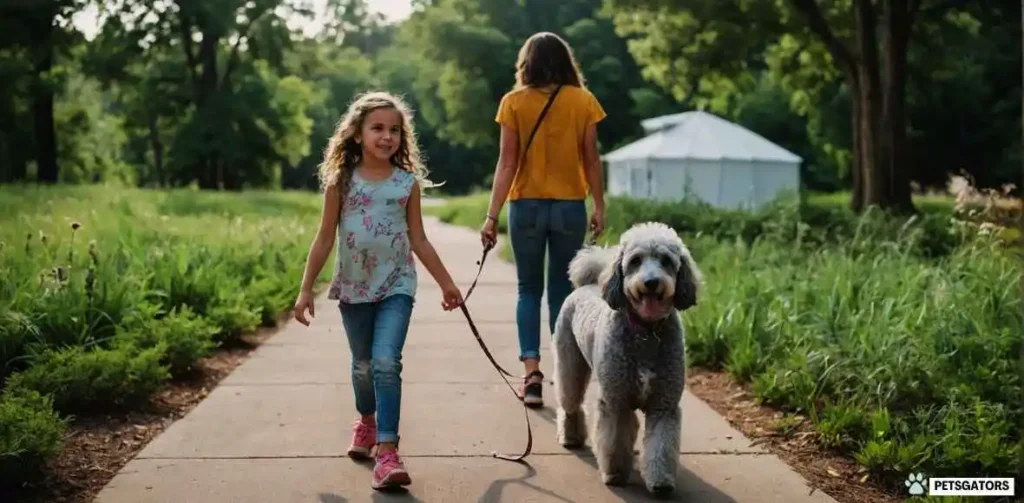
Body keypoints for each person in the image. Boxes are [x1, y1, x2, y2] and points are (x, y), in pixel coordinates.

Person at [292, 91, 464, 491]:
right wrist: (304, 291)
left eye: (396, 130)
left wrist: (446, 282)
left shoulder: (407, 184)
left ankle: (388, 452)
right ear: (356, 134)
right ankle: (366, 422)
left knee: (386, 362)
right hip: (354, 287)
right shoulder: (341, 182)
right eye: (378, 128)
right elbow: (323, 239)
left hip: (396, 286)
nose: (388, 137)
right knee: (363, 366)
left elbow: (419, 240)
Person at [480, 32, 606, 408]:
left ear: (527, 63)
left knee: (527, 290)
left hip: (527, 208)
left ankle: (531, 375)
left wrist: (491, 216)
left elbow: (507, 162)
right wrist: (598, 205)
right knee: (563, 293)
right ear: (566, 62)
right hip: (569, 206)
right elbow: (591, 159)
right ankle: (568, 374)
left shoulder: (513, 102)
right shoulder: (583, 101)